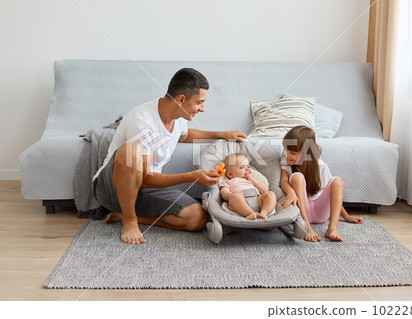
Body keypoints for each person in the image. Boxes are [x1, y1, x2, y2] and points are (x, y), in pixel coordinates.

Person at [92, 68, 246, 245]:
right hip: (113, 188)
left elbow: (185, 136)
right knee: (131, 150)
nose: (202, 109)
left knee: (197, 218)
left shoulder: (179, 116)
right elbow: (143, 178)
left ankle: (129, 217)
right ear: (181, 99)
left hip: (146, 188)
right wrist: (190, 177)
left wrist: (222, 134)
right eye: (199, 102)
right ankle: (129, 221)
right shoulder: (141, 120)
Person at [280, 125, 363, 242]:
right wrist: (291, 192)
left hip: (320, 213)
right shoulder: (285, 160)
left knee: (337, 181)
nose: (287, 155)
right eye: (285, 150)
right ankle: (307, 227)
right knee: (297, 177)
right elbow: (283, 181)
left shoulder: (320, 166)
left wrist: (346, 216)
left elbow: (333, 194)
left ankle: (332, 229)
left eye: (292, 152)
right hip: (302, 211)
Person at [219, 153, 276, 220]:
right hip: (241, 204)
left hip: (257, 199)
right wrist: (233, 195)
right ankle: (249, 213)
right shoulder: (228, 181)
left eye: (248, 167)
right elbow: (224, 193)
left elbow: (265, 190)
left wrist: (252, 179)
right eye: (241, 167)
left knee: (271, 194)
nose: (247, 170)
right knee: (235, 197)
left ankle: (264, 212)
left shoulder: (251, 179)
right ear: (230, 174)